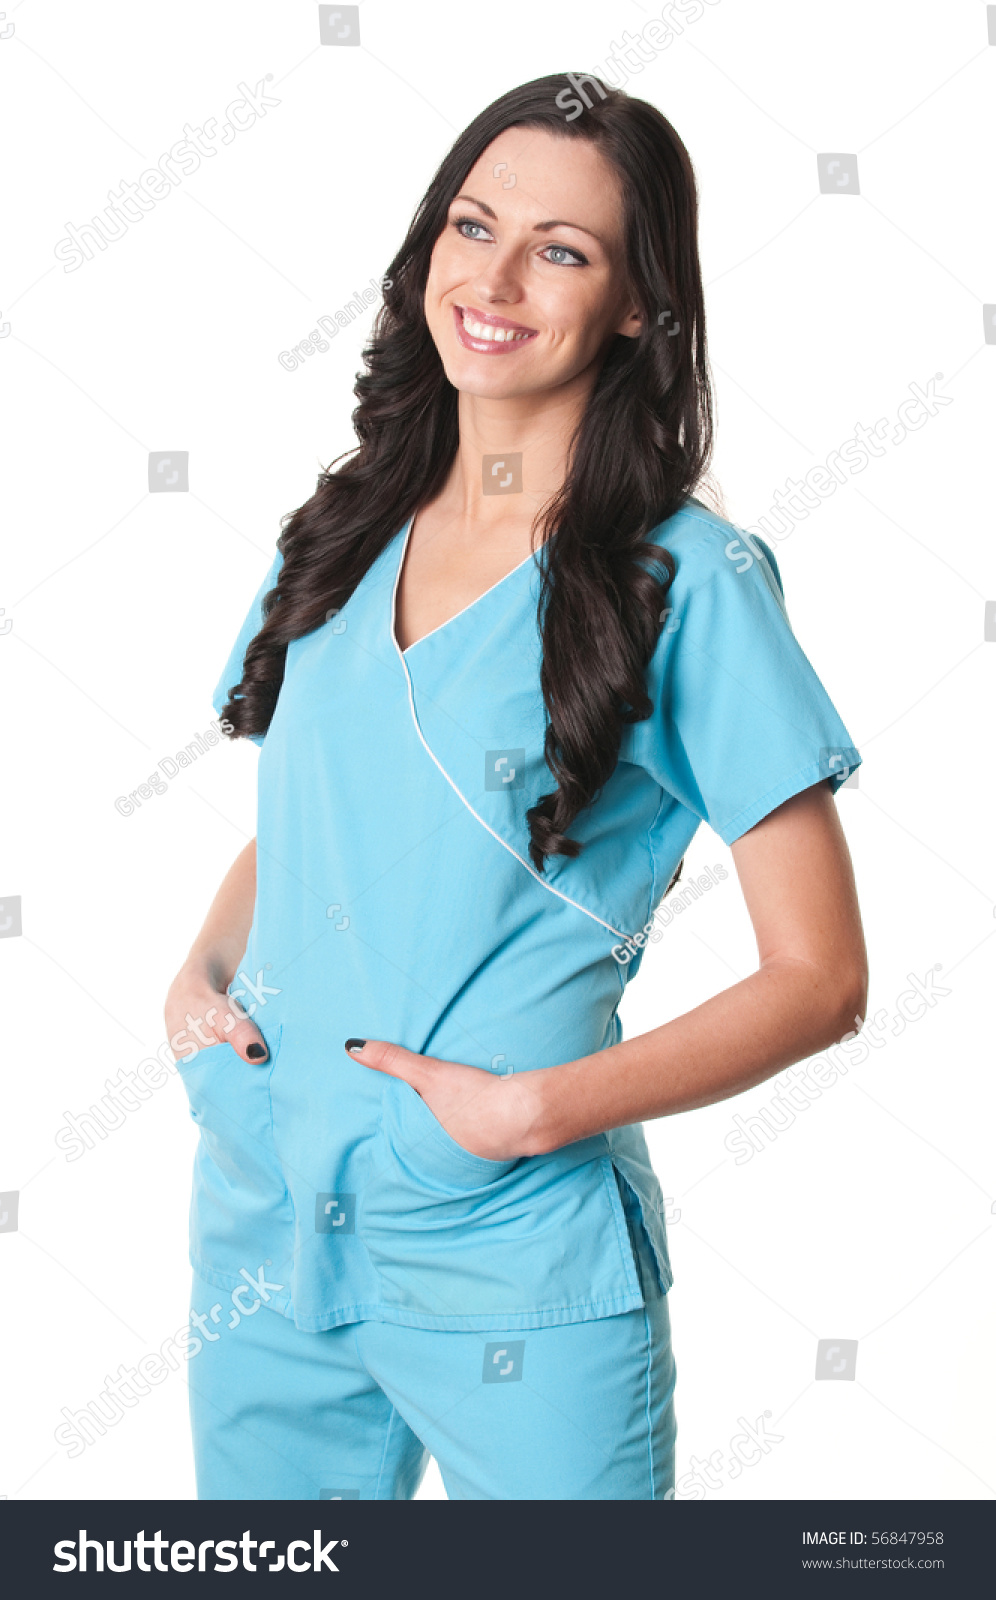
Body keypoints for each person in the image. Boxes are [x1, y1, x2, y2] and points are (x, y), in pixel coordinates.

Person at [165, 73, 867, 1502]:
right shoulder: (344, 531)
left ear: (633, 305)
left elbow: (822, 976)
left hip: (512, 1250)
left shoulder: (689, 584)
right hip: (271, 1223)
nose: (491, 278)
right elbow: (310, 825)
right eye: (471, 226)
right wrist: (199, 974)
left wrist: (533, 1114)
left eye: (561, 249)